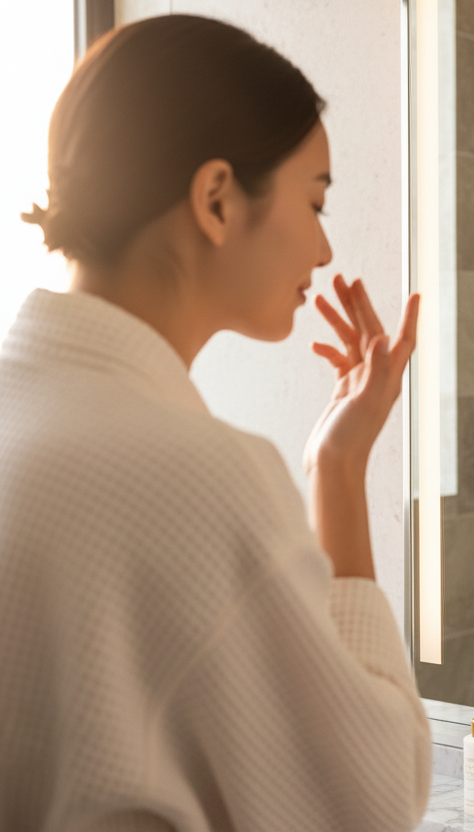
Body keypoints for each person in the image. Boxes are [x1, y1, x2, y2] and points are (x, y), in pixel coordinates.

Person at [0, 15, 431, 831]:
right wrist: (337, 470)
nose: (326, 249)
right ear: (217, 198)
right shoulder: (194, 473)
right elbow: (372, 799)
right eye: (315, 201)